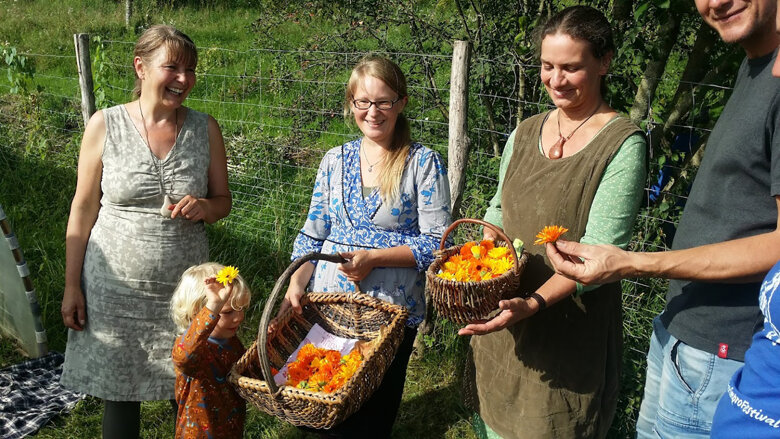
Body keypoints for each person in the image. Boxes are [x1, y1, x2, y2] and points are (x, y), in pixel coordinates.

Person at [546, 0, 780, 437]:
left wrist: (633, 263)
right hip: (683, 327)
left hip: (723, 348)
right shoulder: (757, 67)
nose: (716, 2)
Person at [458, 6, 647, 439]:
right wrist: (482, 262)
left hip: (568, 334)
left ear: (604, 62)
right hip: (505, 320)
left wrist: (534, 304)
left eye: (571, 67)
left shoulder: (622, 145)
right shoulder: (525, 132)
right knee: (495, 422)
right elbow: (498, 209)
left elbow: (600, 253)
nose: (555, 80)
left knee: (552, 426)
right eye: (547, 66)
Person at [60, 25, 231, 439]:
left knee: (190, 389)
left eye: (190, 70)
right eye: (172, 67)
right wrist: (71, 286)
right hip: (114, 290)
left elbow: (223, 201)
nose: (183, 79)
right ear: (141, 67)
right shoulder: (105, 125)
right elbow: (83, 208)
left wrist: (205, 206)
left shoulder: (205, 129)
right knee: (119, 393)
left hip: (184, 293)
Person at [278, 55, 451, 438]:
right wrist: (296, 281)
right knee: (323, 405)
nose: (373, 112)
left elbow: (439, 244)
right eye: (363, 102)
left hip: (389, 315)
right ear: (351, 103)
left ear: (401, 103)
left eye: (383, 101)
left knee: (370, 420)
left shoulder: (422, 164)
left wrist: (374, 259)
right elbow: (313, 234)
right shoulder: (334, 161)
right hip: (330, 310)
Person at [170, 263, 251, 439]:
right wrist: (214, 304)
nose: (238, 317)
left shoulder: (231, 342)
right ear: (197, 313)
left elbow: (247, 370)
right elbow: (183, 357)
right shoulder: (195, 349)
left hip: (231, 429)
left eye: (241, 309)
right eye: (228, 312)